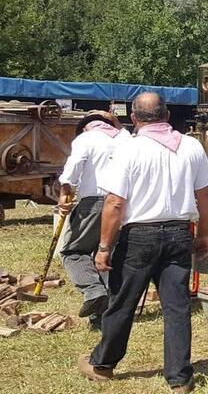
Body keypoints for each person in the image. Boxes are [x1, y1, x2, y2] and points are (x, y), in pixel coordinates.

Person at [77, 93, 208, 393]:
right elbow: (205, 195)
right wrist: (204, 234)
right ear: (166, 115)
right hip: (179, 234)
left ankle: (103, 364)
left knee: (121, 303)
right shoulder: (191, 146)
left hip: (139, 236)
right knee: (177, 308)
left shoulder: (128, 149)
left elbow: (114, 204)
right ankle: (179, 378)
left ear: (135, 119)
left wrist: (103, 247)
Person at [57, 110, 131, 329]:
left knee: (73, 252)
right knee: (107, 255)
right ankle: (102, 316)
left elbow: (71, 171)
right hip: (123, 204)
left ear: (85, 127)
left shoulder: (85, 139)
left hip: (94, 203)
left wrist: (64, 192)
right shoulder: (127, 138)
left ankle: (93, 291)